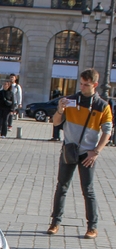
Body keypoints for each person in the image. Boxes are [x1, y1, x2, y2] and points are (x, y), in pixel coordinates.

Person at [47, 68, 113, 239]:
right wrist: (60, 110)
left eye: (86, 85)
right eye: (81, 84)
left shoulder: (102, 106)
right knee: (62, 186)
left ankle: (92, 227)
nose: (82, 87)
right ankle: (55, 223)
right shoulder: (70, 101)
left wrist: (96, 151)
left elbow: (107, 131)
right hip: (69, 149)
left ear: (95, 85)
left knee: (88, 189)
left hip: (88, 153)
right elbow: (56, 123)